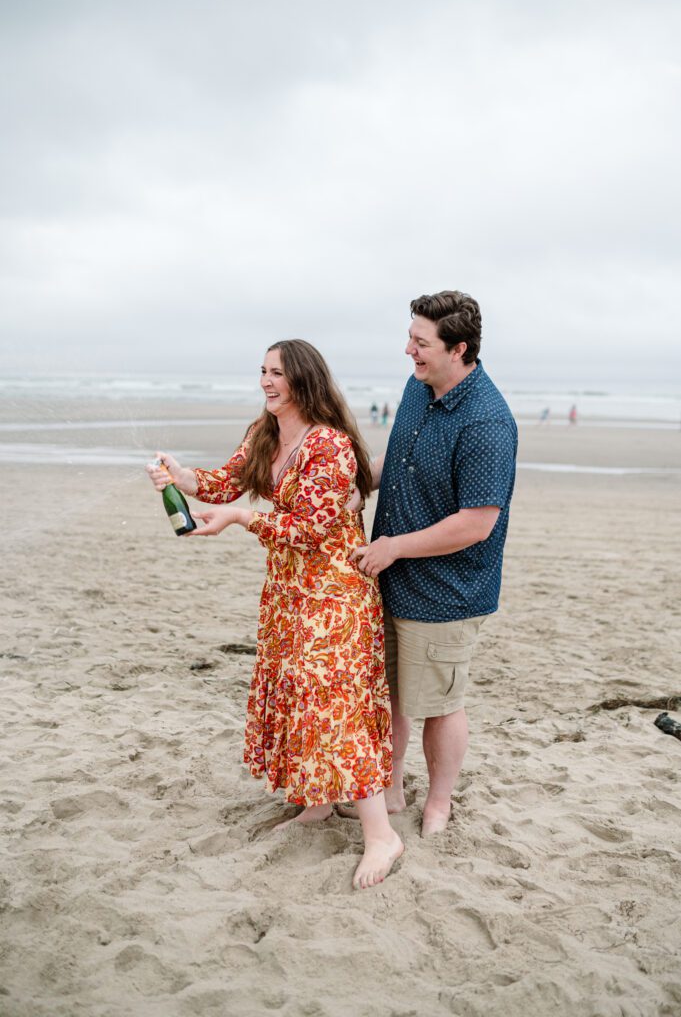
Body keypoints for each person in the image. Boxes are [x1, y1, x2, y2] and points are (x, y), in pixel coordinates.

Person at [146, 340, 403, 889]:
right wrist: (177, 475)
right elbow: (221, 481)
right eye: (262, 371)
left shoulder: (330, 446)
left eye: (277, 373)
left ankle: (381, 834)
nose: (266, 381)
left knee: (337, 708)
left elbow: (309, 528)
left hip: (333, 599)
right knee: (294, 699)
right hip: (287, 595)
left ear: (304, 381)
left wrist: (240, 518)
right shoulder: (263, 433)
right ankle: (315, 802)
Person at [345, 291, 517, 836]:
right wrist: (355, 486)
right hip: (391, 576)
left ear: (458, 349)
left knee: (439, 704)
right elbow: (395, 458)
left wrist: (393, 546)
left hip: (447, 590)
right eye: (410, 338)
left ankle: (438, 802)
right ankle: (391, 788)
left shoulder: (487, 422)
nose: (409, 351)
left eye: (421, 343)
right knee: (390, 692)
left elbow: (476, 523)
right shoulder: (419, 388)